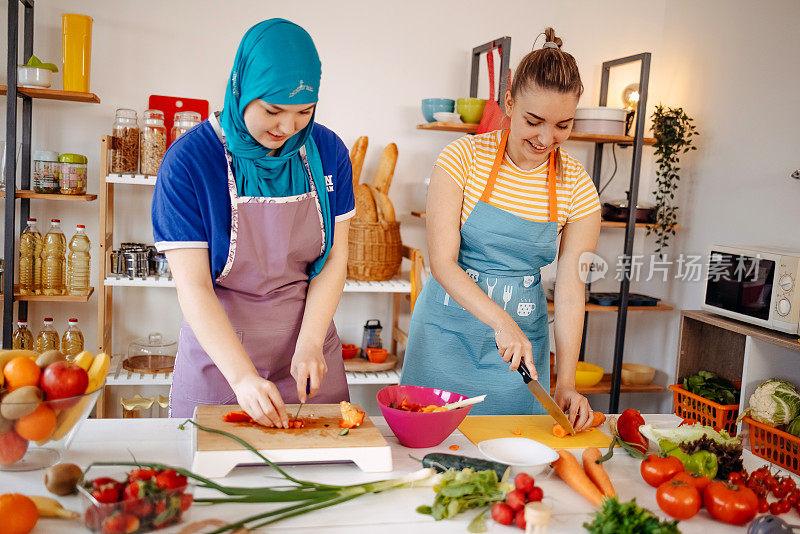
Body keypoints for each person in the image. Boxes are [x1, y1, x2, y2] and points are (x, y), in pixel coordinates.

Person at [151, 19, 355, 427]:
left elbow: (335, 258)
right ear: (241, 86)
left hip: (307, 351)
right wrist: (242, 376)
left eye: (304, 112)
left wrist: (311, 342)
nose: (287, 128)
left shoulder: (328, 151)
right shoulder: (189, 162)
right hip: (222, 362)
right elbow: (192, 287)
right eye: (273, 110)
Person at [401, 28, 601, 430]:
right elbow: (442, 262)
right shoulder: (462, 158)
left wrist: (565, 382)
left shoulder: (577, 186)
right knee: (431, 448)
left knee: (511, 456)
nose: (547, 138)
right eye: (533, 121)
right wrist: (501, 322)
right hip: (445, 336)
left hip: (519, 355)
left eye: (563, 125)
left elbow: (569, 289)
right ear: (509, 103)